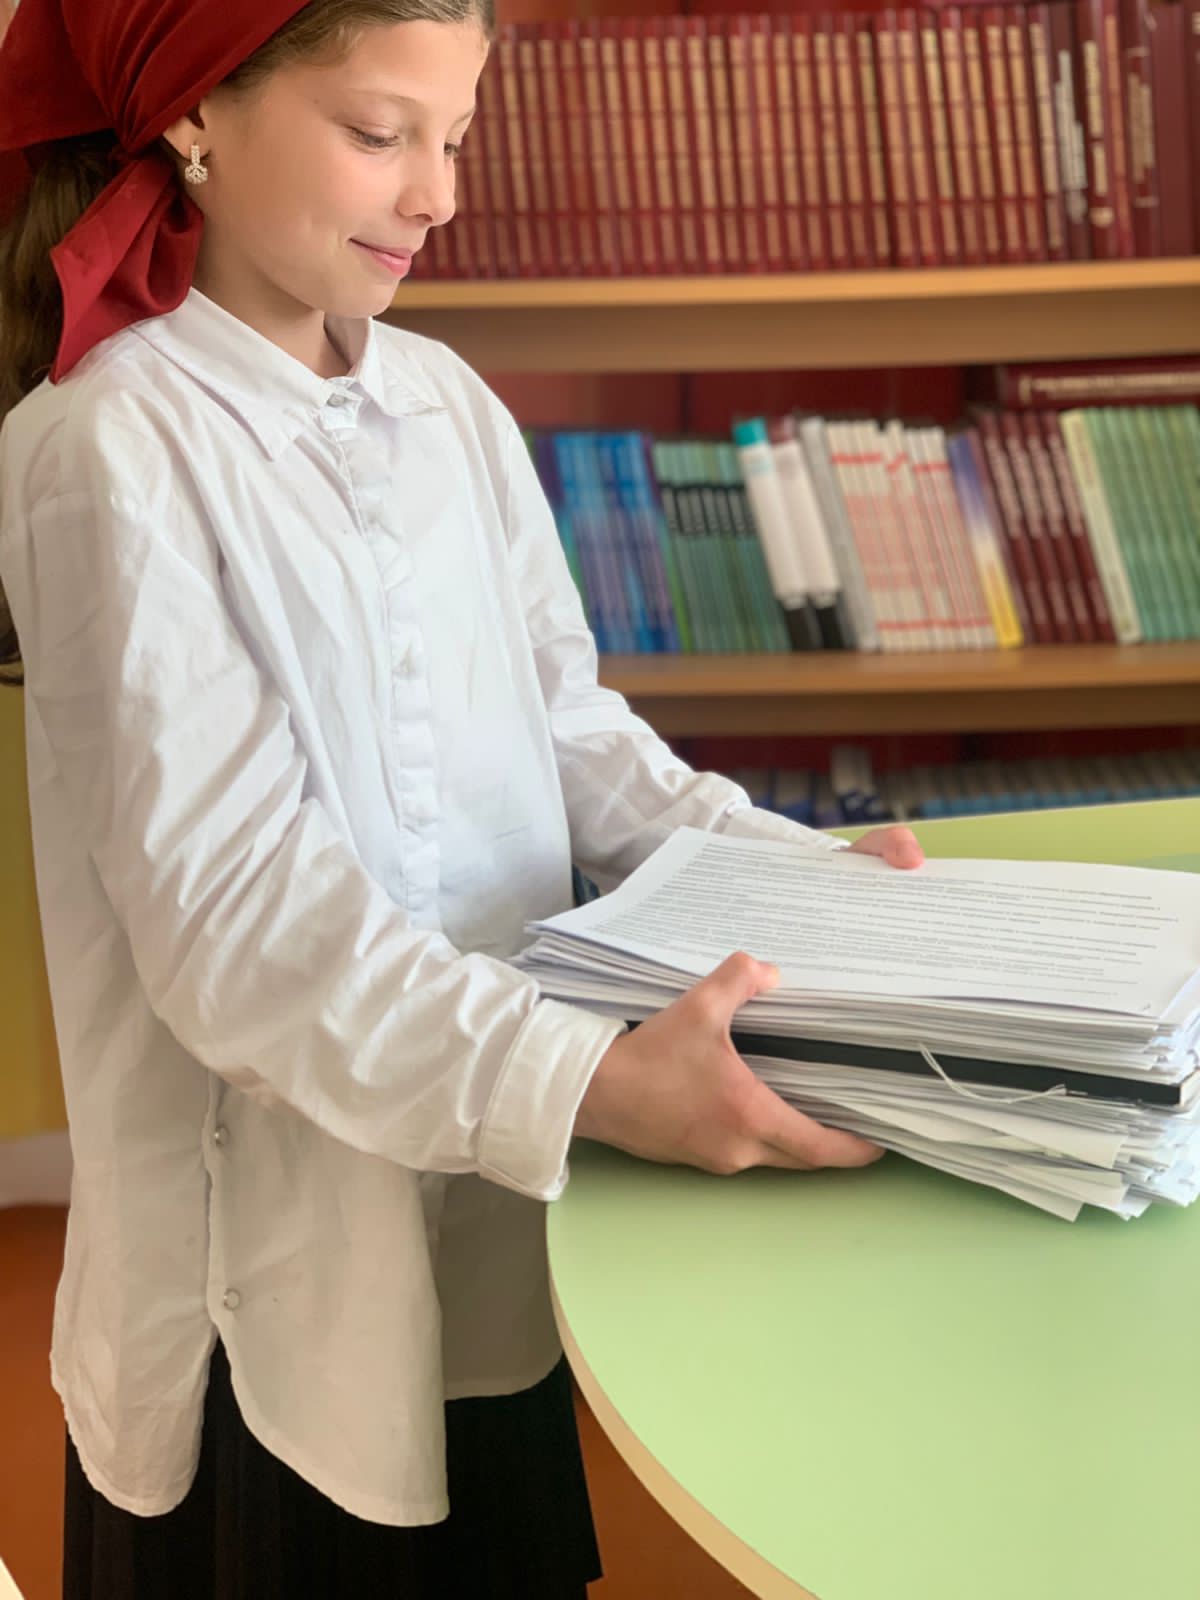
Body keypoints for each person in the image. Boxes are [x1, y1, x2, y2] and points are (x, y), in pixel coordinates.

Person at [0, 1, 925, 1594]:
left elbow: (571, 735)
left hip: (490, 1231)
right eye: (381, 134)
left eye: (455, 138)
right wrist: (598, 1083)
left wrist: (788, 871)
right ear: (195, 117)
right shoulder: (103, 445)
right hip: (270, 1310)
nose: (437, 195)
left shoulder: (444, 402)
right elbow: (242, 931)